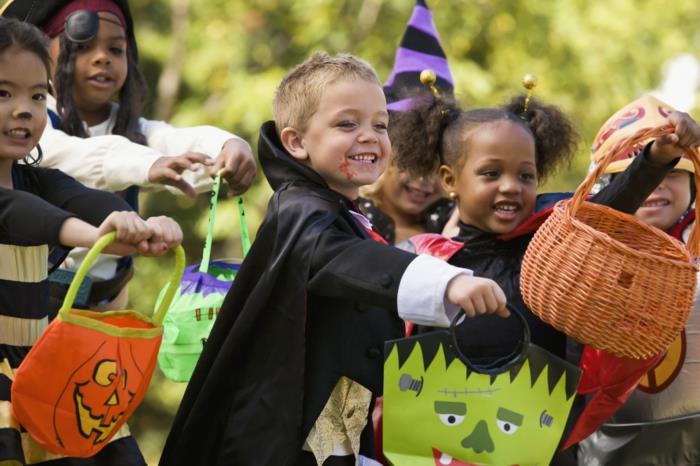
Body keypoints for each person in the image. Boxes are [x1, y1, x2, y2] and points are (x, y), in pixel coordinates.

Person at [159, 52, 512, 466]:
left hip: (331, 433)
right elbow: (342, 258)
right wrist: (447, 282)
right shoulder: (300, 211)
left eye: (380, 125)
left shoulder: (343, 213)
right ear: (296, 142)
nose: (369, 136)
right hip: (274, 442)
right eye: (347, 124)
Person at [399, 92, 700, 461]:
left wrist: (656, 159)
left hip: (545, 446)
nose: (511, 186)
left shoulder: (552, 242)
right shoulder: (423, 265)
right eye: (491, 173)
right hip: (441, 447)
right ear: (449, 179)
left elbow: (606, 210)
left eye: (526, 175)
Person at [0, 17, 182, 465]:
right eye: (3, 93)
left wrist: (147, 228)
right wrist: (97, 234)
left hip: (43, 373)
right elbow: (27, 217)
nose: (24, 109)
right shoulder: (24, 203)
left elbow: (90, 202)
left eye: (38, 96)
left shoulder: (43, 181)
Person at [2, 0, 257, 310]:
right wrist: (148, 164)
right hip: (37, 306)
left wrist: (228, 148)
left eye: (116, 49)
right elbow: (69, 158)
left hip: (106, 308)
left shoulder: (132, 129)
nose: (101, 59)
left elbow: (174, 141)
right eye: (82, 46)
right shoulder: (42, 129)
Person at [578, 94, 700, 466]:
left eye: (673, 173)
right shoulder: (586, 258)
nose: (657, 186)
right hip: (604, 448)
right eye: (641, 176)